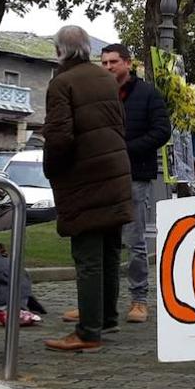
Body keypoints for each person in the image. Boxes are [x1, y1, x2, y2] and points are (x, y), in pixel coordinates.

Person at [42, 27, 134, 352]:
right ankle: (106, 316)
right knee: (110, 250)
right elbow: (118, 122)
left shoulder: (61, 83)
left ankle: (88, 331)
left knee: (89, 256)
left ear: (59, 51)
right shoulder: (105, 79)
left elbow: (59, 136)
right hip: (115, 170)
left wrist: (51, 169)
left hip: (86, 176)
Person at [88, 43, 170, 326]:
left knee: (134, 240)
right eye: (104, 63)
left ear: (128, 63)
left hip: (134, 174)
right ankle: (95, 302)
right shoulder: (98, 93)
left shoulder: (148, 94)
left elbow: (161, 131)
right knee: (98, 241)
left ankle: (139, 299)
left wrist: (126, 149)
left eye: (113, 62)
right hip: (101, 176)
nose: (109, 67)